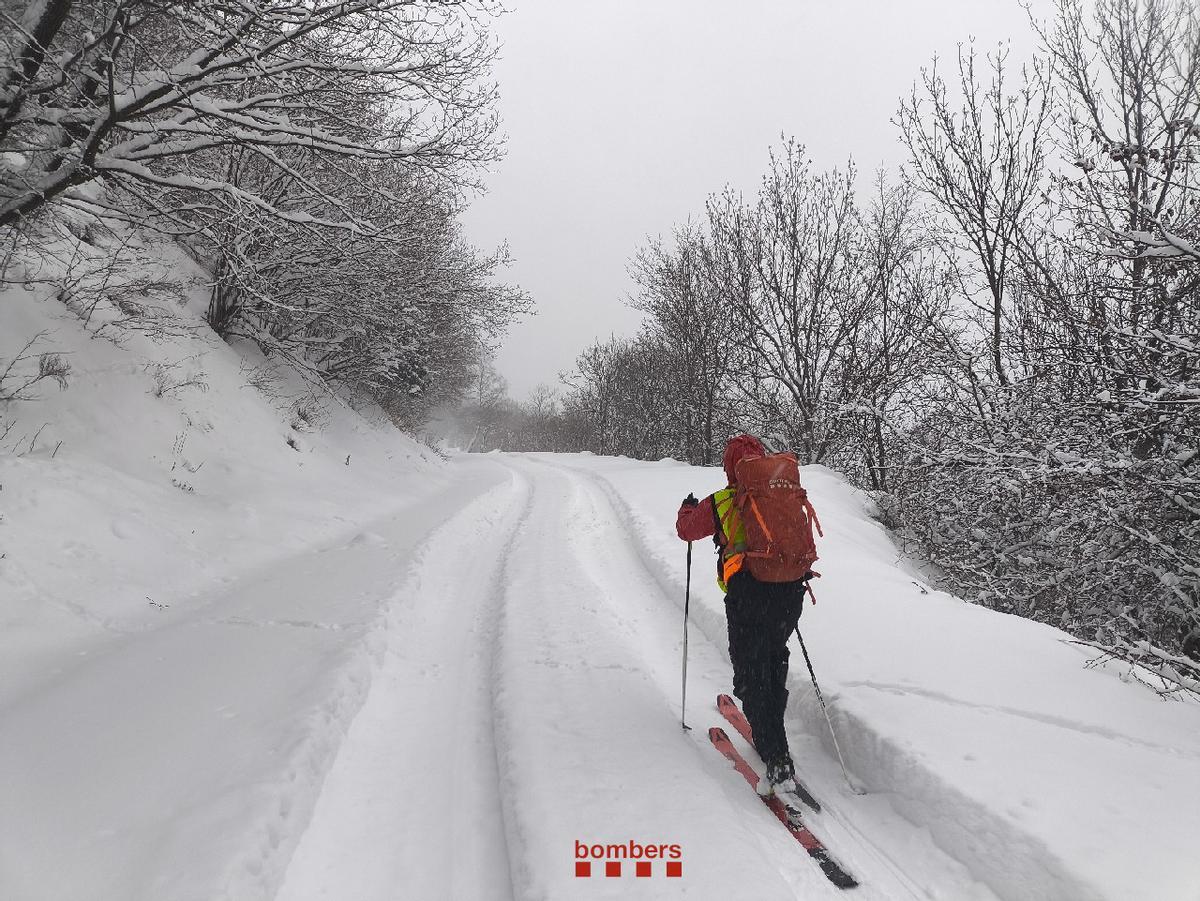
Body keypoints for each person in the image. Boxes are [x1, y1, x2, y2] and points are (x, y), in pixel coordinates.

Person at [675, 434, 809, 796]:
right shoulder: (782, 494)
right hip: (790, 593)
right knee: (773, 659)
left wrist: (685, 509)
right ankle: (772, 726)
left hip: (749, 595)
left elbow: (687, 530)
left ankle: (776, 755)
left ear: (730, 466)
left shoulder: (723, 500)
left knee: (751, 677)